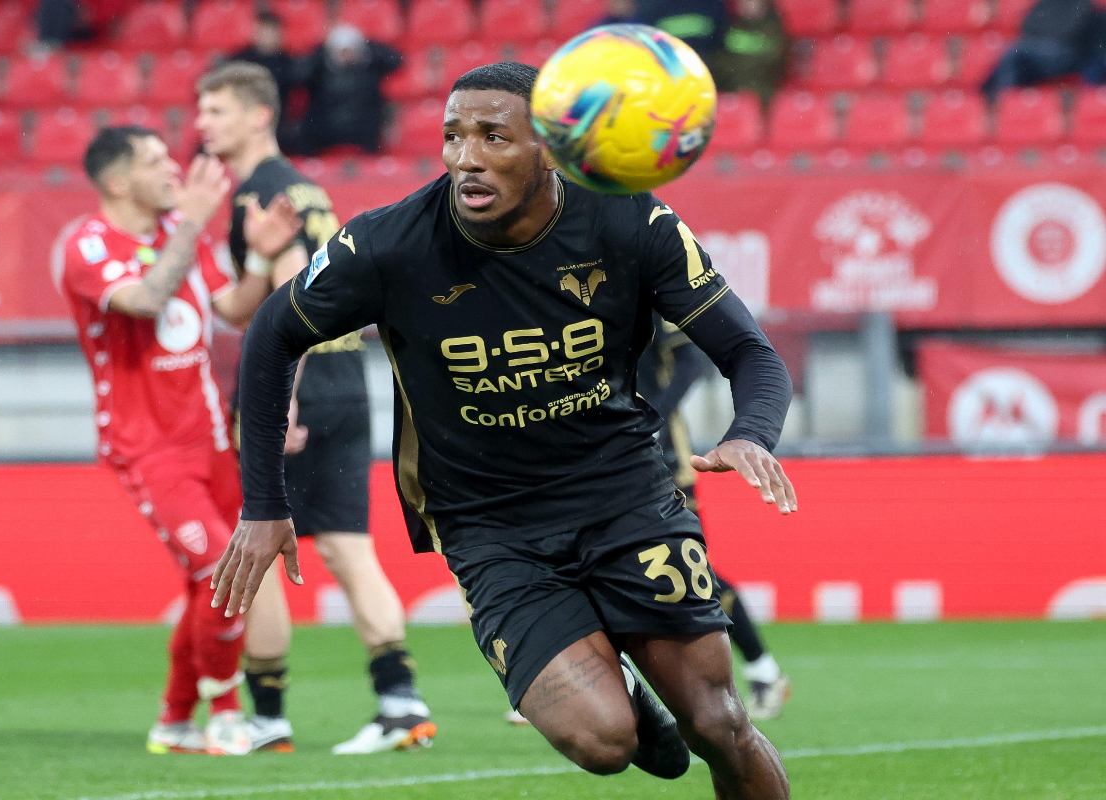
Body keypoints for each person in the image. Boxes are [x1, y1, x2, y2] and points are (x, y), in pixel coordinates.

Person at [213, 61, 796, 795]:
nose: (466, 157)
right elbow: (273, 332)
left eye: (494, 136)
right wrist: (264, 505)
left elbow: (749, 352)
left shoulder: (628, 220)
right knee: (603, 741)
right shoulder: (390, 244)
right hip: (490, 526)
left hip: (625, 499)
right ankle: (622, 689)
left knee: (717, 722)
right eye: (453, 135)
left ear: (548, 147)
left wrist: (752, 432)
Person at [195, 61, 435, 755]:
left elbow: (287, 309)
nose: (204, 123)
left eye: (216, 110)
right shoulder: (302, 188)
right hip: (346, 379)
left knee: (260, 548)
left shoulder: (261, 192)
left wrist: (282, 407)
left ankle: (268, 717)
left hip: (294, 388)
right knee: (349, 549)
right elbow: (256, 299)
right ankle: (401, 703)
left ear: (258, 116)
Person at [54, 125, 300, 756]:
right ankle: (226, 712)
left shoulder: (174, 231)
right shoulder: (86, 244)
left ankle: (174, 719)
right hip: (149, 447)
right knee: (220, 571)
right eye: (155, 162)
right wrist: (191, 222)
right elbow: (145, 299)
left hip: (211, 438)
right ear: (118, 182)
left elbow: (232, 309)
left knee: (212, 583)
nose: (174, 171)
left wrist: (262, 260)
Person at [637, 317, 790, 720]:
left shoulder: (645, 294)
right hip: (598, 460)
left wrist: (652, 417)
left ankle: (763, 669)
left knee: (690, 571)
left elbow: (691, 363)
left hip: (663, 459)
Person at [297, 23, 402, 155]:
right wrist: (319, 53)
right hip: (327, 129)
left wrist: (370, 47)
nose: (347, 56)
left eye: (351, 50)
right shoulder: (319, 71)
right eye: (342, 51)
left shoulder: (370, 69)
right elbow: (297, 75)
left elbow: (396, 60)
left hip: (362, 129)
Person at [981, 0, 1100, 98]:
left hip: (1066, 54)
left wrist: (1046, 35)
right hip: (1043, 48)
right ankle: (993, 98)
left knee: (1015, 53)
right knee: (1013, 52)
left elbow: (1072, 34)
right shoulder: (1046, 3)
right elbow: (1027, 24)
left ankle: (999, 98)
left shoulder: (1082, 4)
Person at [227, 10, 299, 150]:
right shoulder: (239, 60)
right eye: (263, 31)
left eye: (271, 32)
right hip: (243, 118)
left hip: (277, 123)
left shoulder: (288, 62)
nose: (267, 37)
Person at [708, 0, 788, 109]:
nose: (747, 5)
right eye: (743, 2)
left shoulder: (774, 29)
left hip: (762, 92)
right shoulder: (731, 28)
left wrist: (738, 65)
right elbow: (721, 59)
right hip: (731, 88)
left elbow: (775, 60)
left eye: (752, 2)